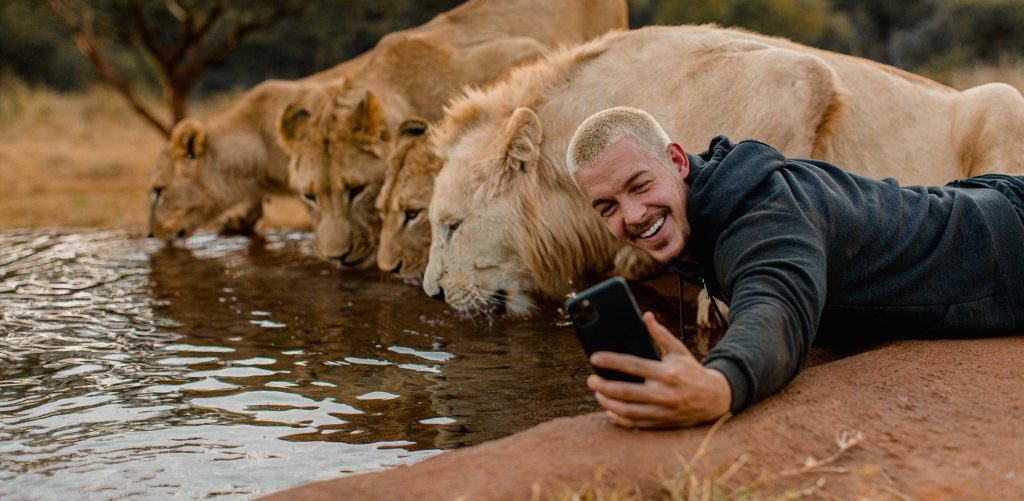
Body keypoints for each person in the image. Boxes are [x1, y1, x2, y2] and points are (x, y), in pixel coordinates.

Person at [565, 106, 1024, 429]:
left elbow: (775, 301)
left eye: (640, 185)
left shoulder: (763, 214)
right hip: (977, 202)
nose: (633, 215)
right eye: (607, 207)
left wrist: (721, 383)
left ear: (678, 161)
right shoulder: (703, 211)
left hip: (1010, 242)